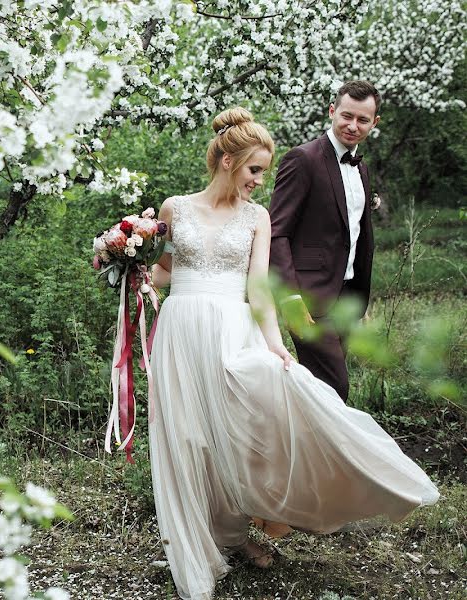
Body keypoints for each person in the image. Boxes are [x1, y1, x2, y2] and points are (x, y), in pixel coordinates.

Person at [146, 107, 438, 600]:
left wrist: (276, 345)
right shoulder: (175, 208)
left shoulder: (257, 218)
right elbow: (163, 271)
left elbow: (259, 290)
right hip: (179, 329)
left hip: (230, 329)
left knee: (244, 429)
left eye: (264, 170)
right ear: (226, 162)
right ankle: (200, 540)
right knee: (188, 436)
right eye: (254, 169)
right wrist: (123, 263)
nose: (261, 180)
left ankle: (242, 528)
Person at [269, 80, 381, 402]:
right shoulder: (302, 160)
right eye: (346, 116)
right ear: (332, 111)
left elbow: (355, 236)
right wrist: (290, 299)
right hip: (309, 297)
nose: (352, 125)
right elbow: (278, 232)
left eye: (362, 120)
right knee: (335, 387)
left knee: (323, 390)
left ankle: (304, 448)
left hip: (345, 297)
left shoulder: (362, 170)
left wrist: (359, 298)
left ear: (375, 123)